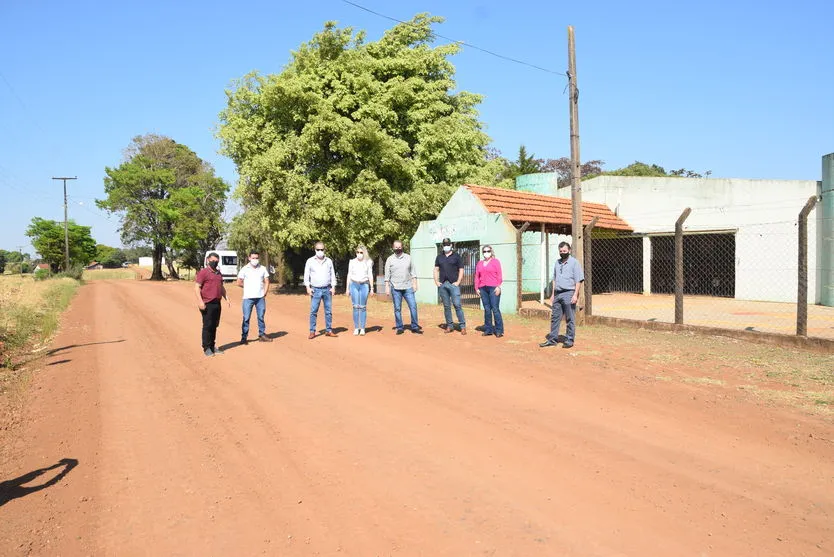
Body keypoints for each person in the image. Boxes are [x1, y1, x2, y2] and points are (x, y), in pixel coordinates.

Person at [540, 242, 585, 349]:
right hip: (558, 294)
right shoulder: (557, 262)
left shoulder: (574, 263)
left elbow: (578, 280)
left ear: (569, 251)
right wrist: (552, 294)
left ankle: (569, 340)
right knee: (555, 318)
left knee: (570, 318)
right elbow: (554, 279)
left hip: (569, 293)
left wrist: (575, 295)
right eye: (560, 251)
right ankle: (552, 340)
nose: (562, 253)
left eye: (564, 251)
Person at [194, 252, 230, 357]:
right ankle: (206, 348)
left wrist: (226, 297)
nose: (214, 262)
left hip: (217, 303)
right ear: (208, 260)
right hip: (207, 303)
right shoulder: (203, 272)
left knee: (214, 325)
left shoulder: (218, 273)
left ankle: (213, 346)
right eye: (213, 260)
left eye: (216, 261)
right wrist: (200, 301)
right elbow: (197, 287)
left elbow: (221, 287)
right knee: (207, 326)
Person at [384, 240, 422, 335]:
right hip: (395, 288)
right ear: (393, 248)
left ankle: (415, 326)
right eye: (396, 247)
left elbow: (413, 272)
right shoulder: (390, 259)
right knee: (397, 308)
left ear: (402, 247)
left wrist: (415, 284)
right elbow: (387, 275)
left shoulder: (408, 258)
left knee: (413, 306)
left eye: (399, 247)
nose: (398, 249)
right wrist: (387, 287)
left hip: (408, 287)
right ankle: (400, 327)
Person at [237, 250, 273, 344]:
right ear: (249, 258)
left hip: (260, 298)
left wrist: (265, 292)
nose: (255, 260)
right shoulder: (245, 269)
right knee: (246, 318)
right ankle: (244, 338)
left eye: (256, 258)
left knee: (261, 316)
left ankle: (262, 335)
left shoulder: (263, 268)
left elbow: (267, 281)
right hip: (248, 298)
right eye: (253, 258)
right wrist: (248, 287)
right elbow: (239, 282)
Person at [303, 241, 337, 339]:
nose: (320, 251)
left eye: (322, 249)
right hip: (315, 290)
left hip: (327, 289)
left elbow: (332, 274)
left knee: (328, 311)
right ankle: (312, 331)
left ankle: (329, 330)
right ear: (315, 250)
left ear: (324, 250)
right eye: (318, 250)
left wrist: (333, 287)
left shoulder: (329, 261)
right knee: (313, 311)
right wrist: (308, 287)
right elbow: (306, 275)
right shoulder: (310, 261)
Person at [433, 237, 467, 335]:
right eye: (444, 245)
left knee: (457, 305)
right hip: (443, 285)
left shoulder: (457, 256)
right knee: (446, 306)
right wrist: (436, 281)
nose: (446, 246)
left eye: (448, 244)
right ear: (442, 246)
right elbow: (436, 269)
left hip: (454, 285)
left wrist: (458, 281)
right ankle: (449, 326)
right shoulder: (439, 257)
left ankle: (463, 326)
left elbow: (461, 269)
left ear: (451, 245)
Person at [474, 245, 504, 338]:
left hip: (493, 288)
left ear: (491, 252)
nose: (486, 253)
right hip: (483, 288)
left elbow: (499, 275)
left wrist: (498, 286)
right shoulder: (479, 263)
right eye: (484, 251)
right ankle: (488, 329)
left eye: (488, 251)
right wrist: (476, 288)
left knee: (495, 309)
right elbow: (476, 276)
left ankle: (499, 330)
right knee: (487, 309)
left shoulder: (496, 262)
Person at [346, 244, 374, 336]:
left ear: (364, 253)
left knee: (362, 307)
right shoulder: (352, 262)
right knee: (355, 307)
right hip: (354, 285)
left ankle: (362, 328)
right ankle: (356, 327)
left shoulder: (368, 262)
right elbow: (349, 275)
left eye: (361, 252)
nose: (359, 254)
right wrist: (347, 288)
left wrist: (372, 288)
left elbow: (370, 275)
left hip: (364, 285)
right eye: (357, 252)